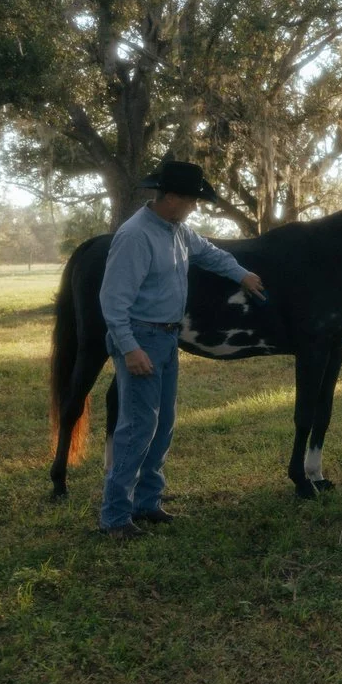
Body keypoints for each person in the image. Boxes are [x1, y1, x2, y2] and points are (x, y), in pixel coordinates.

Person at [97, 160, 266, 539]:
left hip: (167, 337)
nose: (195, 207)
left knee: (162, 425)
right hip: (141, 337)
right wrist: (130, 348)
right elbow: (113, 301)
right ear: (171, 197)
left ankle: (147, 502)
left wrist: (242, 274)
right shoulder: (135, 236)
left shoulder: (177, 230)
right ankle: (114, 518)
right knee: (137, 427)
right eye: (191, 200)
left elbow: (208, 253)